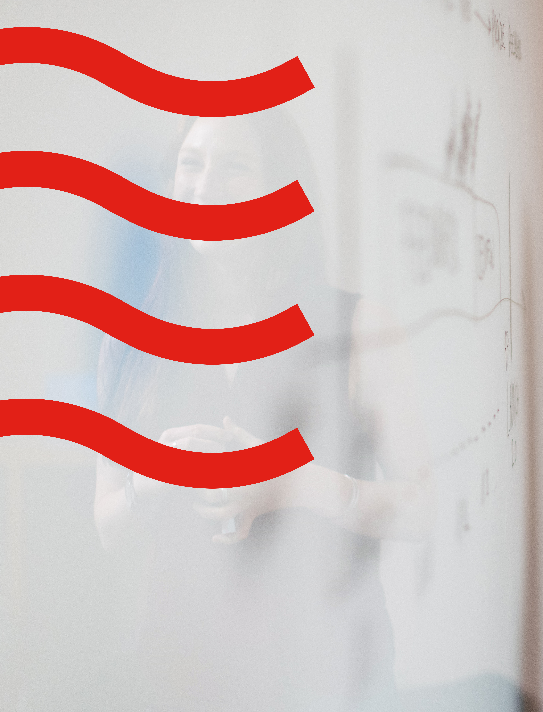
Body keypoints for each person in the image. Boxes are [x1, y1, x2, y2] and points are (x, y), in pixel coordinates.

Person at [93, 110, 431, 712]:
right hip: (181, 670)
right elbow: (109, 524)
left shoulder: (358, 327)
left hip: (330, 667)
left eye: (235, 168)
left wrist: (289, 486)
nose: (203, 186)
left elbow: (422, 507)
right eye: (191, 164)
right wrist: (154, 480)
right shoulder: (129, 340)